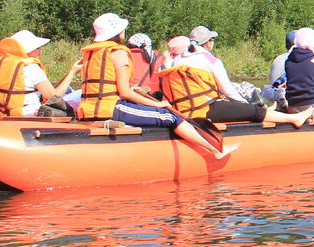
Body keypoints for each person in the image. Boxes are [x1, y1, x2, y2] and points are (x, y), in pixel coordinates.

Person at [77, 12, 237, 160]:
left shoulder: (91, 53)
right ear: (119, 32)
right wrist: (157, 103)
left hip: (87, 110)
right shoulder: (118, 52)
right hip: (111, 109)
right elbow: (124, 92)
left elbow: (111, 87)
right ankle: (216, 151)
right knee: (170, 116)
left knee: (161, 111)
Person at [160, 37, 312, 128]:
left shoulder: (170, 64)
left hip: (181, 111)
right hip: (204, 110)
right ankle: (295, 118)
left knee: (247, 107)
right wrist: (245, 106)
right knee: (253, 111)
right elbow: (228, 91)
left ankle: (270, 111)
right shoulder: (209, 60)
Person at [0, 30, 81, 119]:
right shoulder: (31, 68)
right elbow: (55, 97)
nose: (40, 49)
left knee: (68, 91)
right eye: (37, 47)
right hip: (27, 115)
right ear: (28, 50)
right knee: (78, 98)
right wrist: (73, 72)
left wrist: (70, 71)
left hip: (0, 115)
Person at [186, 25, 251, 103]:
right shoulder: (212, 61)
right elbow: (228, 91)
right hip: (205, 103)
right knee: (256, 110)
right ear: (208, 43)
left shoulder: (179, 57)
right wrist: (244, 103)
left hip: (183, 101)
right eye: (213, 39)